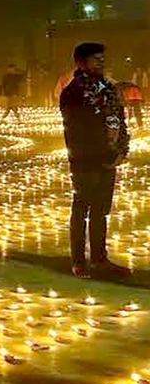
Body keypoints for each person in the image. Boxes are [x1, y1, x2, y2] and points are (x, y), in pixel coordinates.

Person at [60, 42, 130, 279]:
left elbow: (118, 119)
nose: (101, 62)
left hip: (108, 158)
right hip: (86, 159)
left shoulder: (107, 88)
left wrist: (120, 147)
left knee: (101, 210)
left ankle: (100, 258)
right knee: (82, 208)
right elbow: (79, 131)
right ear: (81, 62)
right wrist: (102, 151)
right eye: (95, 59)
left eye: (102, 58)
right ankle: (79, 261)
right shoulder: (74, 92)